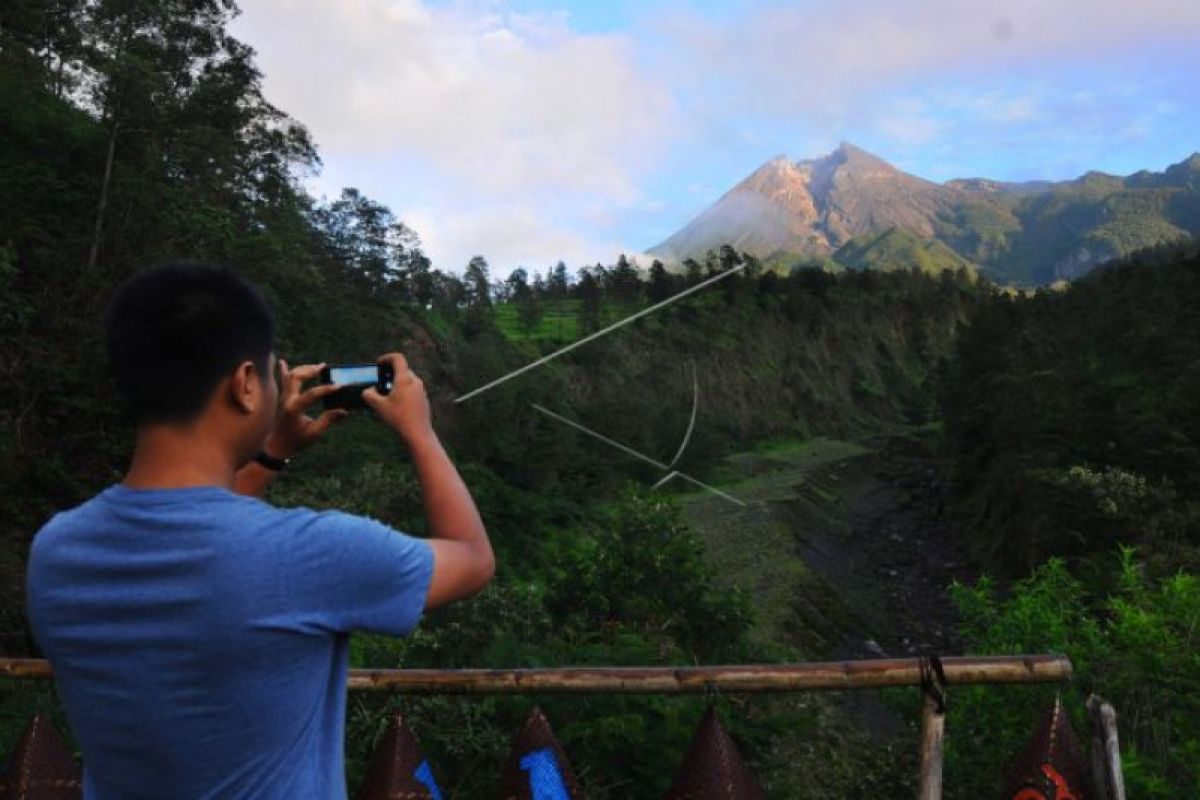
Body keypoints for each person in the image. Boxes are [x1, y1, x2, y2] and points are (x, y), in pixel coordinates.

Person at [25, 262, 494, 798]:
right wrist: (420, 430)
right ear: (246, 385)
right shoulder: (310, 555)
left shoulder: (56, 554)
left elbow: (199, 544)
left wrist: (272, 453)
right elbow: (472, 557)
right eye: (271, 374)